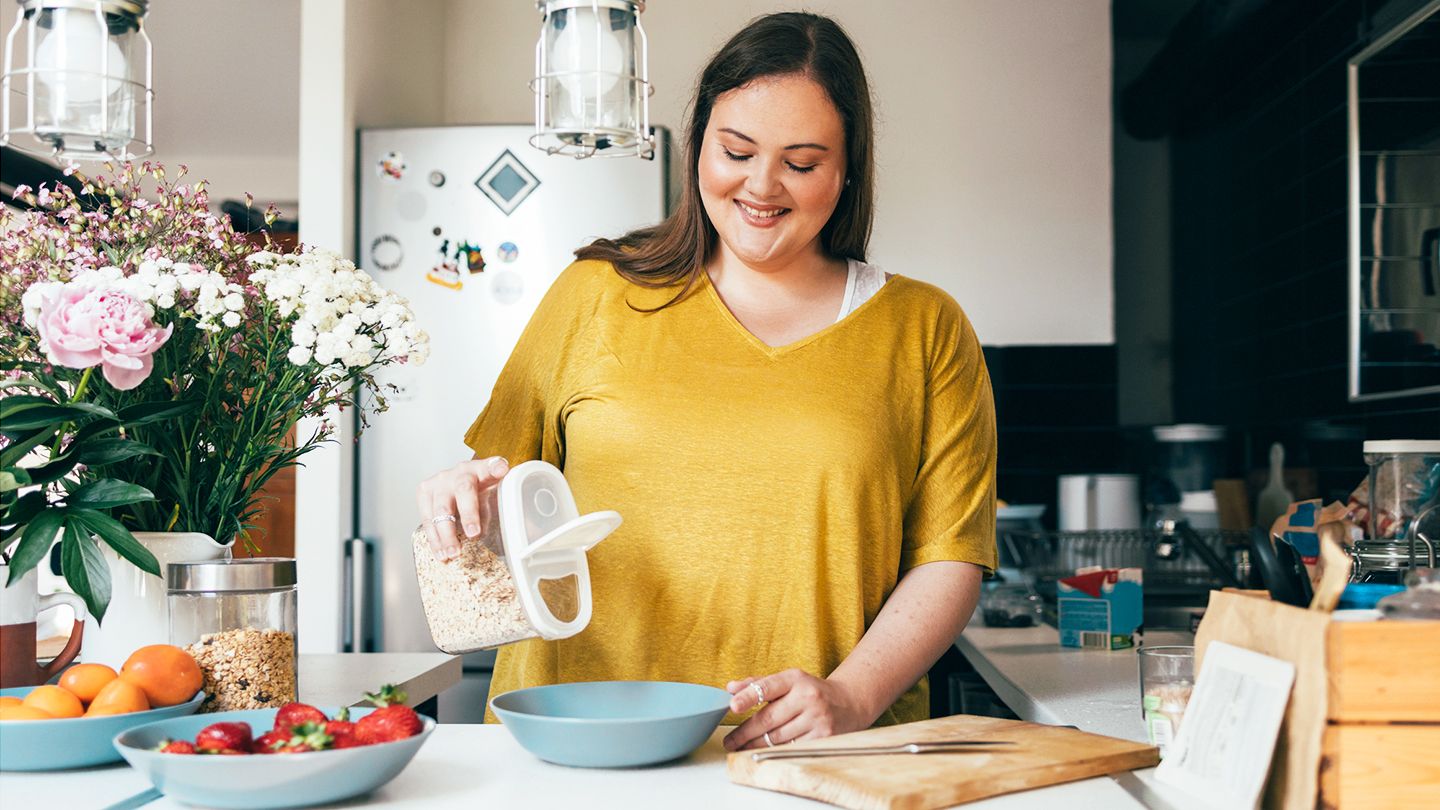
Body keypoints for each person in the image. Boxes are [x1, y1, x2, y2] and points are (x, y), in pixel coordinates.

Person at [416, 11, 995, 751]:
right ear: (698, 148)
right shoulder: (595, 293)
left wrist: (852, 696)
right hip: (576, 745)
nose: (762, 186)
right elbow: (500, 494)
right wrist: (460, 497)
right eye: (737, 150)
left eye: (803, 161)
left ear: (848, 168)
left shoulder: (924, 328)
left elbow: (950, 555)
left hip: (812, 756)